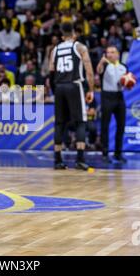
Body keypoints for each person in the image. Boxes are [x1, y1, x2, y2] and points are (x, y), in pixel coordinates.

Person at [49, 23, 95, 170]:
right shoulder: (79, 47)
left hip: (59, 86)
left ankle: (57, 160)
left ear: (62, 36)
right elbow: (89, 71)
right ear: (74, 34)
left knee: (59, 123)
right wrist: (91, 90)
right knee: (81, 122)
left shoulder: (55, 49)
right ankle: (80, 159)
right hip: (74, 85)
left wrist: (54, 88)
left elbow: (50, 71)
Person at [96, 46, 128, 163]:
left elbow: (128, 82)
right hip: (107, 97)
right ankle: (105, 153)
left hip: (119, 97)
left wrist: (129, 84)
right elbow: (98, 71)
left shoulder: (123, 67)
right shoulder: (104, 65)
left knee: (121, 126)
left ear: (117, 54)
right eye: (108, 52)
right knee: (105, 126)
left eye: (112, 52)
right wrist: (101, 61)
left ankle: (118, 153)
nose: (109, 54)